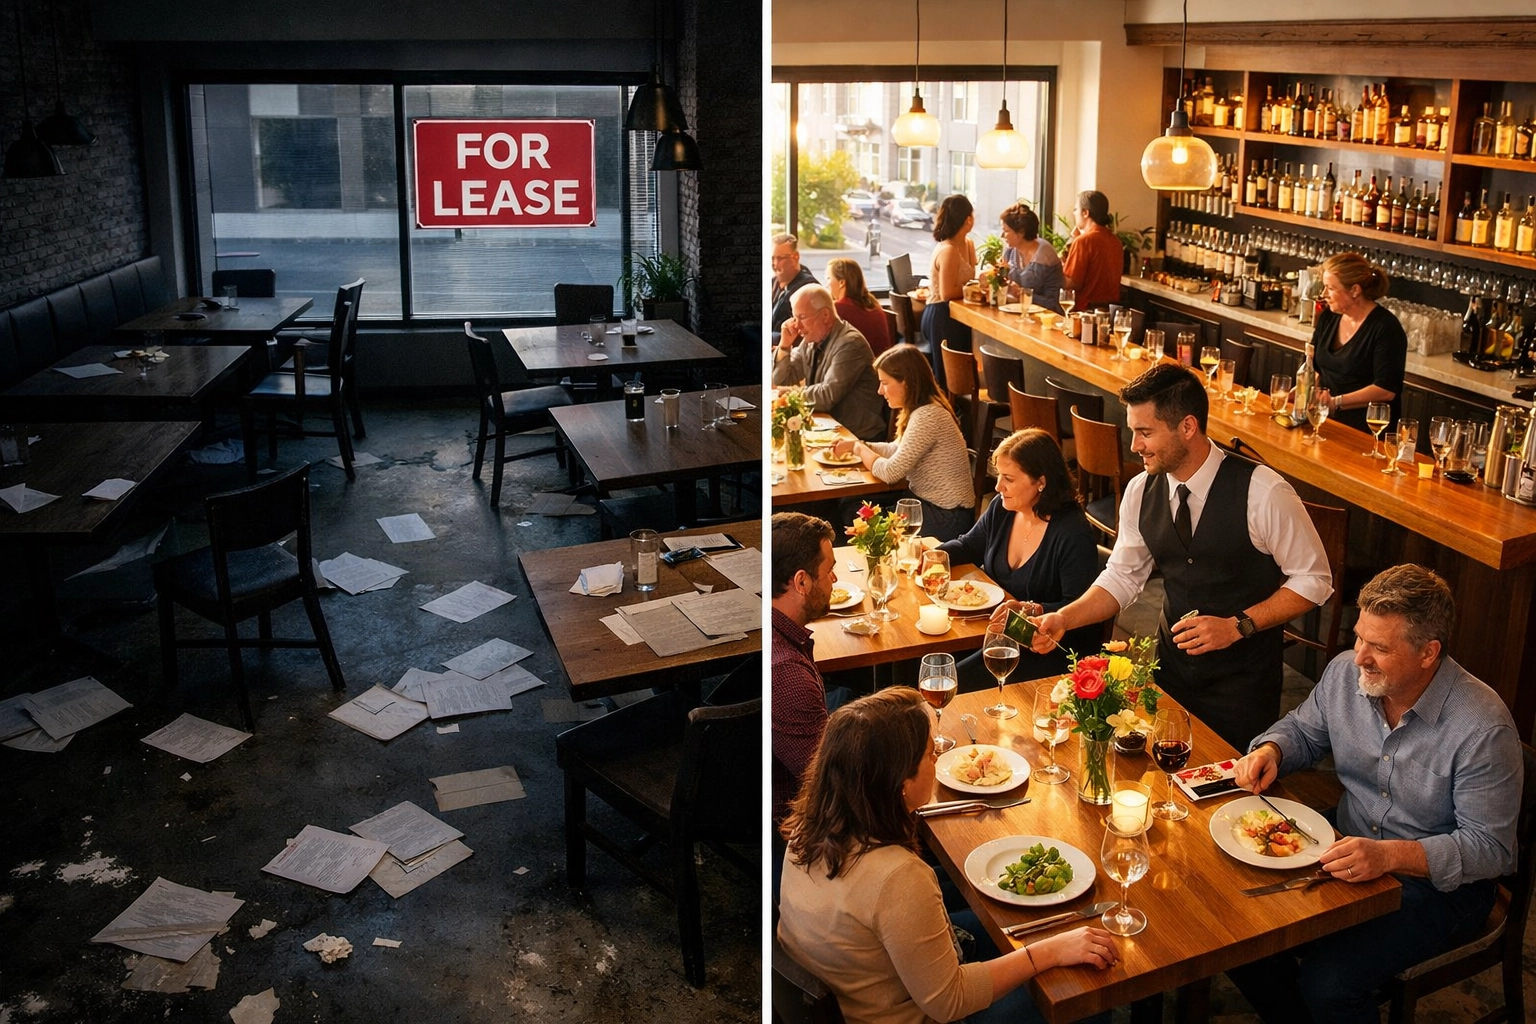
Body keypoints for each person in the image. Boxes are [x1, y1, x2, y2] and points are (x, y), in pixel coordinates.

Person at [1226, 564, 1520, 1024]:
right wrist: (1273, 750)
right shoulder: (1347, 673)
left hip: (1441, 889)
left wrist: (1389, 857)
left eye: (1379, 647)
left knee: (1329, 984)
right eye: (1360, 636)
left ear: (1429, 653)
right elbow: (1304, 730)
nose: (1359, 656)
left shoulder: (1483, 728)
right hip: (1346, 843)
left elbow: (1492, 849)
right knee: (1239, 931)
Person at [1027, 362, 1332, 750]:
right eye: (1133, 431)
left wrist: (1239, 625)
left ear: (1187, 427)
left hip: (1243, 688)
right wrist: (1064, 618)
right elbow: (1122, 577)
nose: (1134, 445)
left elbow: (1315, 579)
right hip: (1168, 675)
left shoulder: (1263, 491)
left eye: (1145, 432)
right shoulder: (1140, 491)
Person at [777, 686, 1118, 1024]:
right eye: (929, 755)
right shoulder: (898, 877)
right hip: (913, 1013)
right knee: (1083, 998)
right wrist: (1052, 951)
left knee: (1016, 926)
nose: (937, 760)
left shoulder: (807, 829)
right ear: (901, 783)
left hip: (863, 990)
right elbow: (949, 1002)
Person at [940, 429, 1100, 684]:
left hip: (1043, 650)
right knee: (924, 659)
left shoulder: (1073, 534)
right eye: (999, 476)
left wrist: (1032, 610)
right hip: (994, 633)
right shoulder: (1003, 509)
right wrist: (929, 556)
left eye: (1009, 479)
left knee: (945, 677)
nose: (998, 486)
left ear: (1041, 482)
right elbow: (969, 546)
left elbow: (1080, 608)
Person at [830, 344, 974, 541]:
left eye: (885, 383)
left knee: (855, 513)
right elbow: (896, 449)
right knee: (850, 504)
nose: (880, 390)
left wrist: (858, 448)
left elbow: (891, 472)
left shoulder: (928, 415)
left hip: (945, 517)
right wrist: (858, 445)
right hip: (925, 505)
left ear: (906, 382)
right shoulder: (921, 410)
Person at [772, 284, 887, 441]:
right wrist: (784, 346)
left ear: (825, 315)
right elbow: (782, 379)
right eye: (794, 318)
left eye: (802, 317)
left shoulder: (850, 343)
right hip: (831, 431)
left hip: (858, 437)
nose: (797, 326)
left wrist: (785, 394)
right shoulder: (811, 339)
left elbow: (827, 396)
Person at [1309, 251, 1408, 433]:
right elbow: (1316, 365)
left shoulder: (1386, 328)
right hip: (1325, 421)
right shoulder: (1329, 317)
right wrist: (1305, 392)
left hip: (1367, 430)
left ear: (1355, 290)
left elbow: (1386, 389)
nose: (1324, 294)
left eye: (1330, 288)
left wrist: (1336, 402)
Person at [921, 194, 977, 390]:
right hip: (940, 315)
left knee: (961, 377)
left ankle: (960, 413)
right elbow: (946, 293)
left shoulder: (968, 244)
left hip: (957, 316)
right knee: (946, 378)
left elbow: (969, 280)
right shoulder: (948, 250)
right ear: (968, 219)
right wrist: (974, 289)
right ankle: (945, 416)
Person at [1060, 190, 1123, 309]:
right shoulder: (1116, 241)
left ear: (1085, 213)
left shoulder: (1083, 242)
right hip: (1109, 312)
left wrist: (1055, 269)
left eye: (1075, 209)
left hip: (1085, 312)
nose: (1074, 213)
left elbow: (1071, 284)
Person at [999, 202, 1064, 313]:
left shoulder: (1045, 256)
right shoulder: (1010, 250)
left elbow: (1052, 303)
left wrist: (1021, 293)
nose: (1002, 235)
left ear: (1021, 232)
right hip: (1018, 312)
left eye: (1006, 231)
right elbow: (1002, 281)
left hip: (1046, 318)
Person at [827, 257, 893, 356]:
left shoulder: (837, 309)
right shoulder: (873, 303)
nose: (827, 284)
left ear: (841, 283)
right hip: (881, 365)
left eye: (828, 278)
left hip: (858, 367)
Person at [771, 233, 818, 335]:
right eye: (772, 258)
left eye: (780, 258)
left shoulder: (808, 290)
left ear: (796, 256)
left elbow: (804, 334)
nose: (774, 264)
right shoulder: (773, 282)